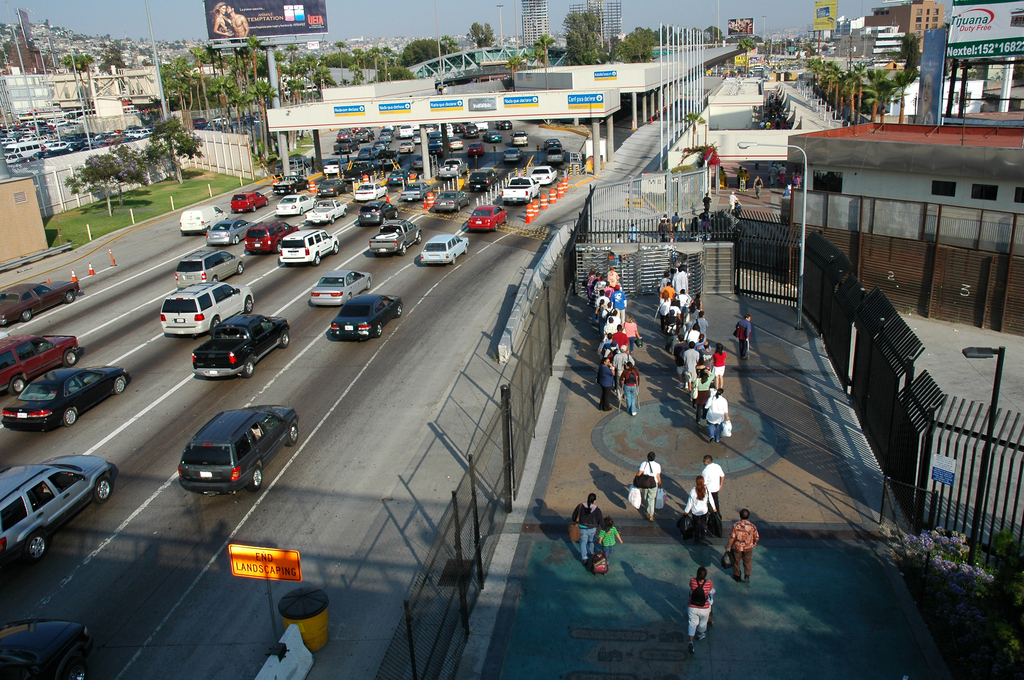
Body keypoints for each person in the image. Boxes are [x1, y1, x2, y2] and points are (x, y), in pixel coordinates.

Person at [687, 566, 715, 654]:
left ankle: (690, 642)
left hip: (692, 607)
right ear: (705, 575)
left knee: (692, 623)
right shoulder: (709, 582)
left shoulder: (692, 581)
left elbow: (691, 588)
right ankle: (700, 634)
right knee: (703, 622)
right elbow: (711, 591)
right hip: (704, 608)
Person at [726, 508, 760, 583]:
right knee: (747, 561)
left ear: (740, 516)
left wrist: (728, 546)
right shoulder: (752, 526)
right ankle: (747, 575)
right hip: (748, 547)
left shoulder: (736, 525)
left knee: (736, 561)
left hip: (737, 547)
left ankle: (737, 576)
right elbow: (757, 537)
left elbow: (732, 537)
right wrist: (754, 542)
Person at [571, 493, 605, 567]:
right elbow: (601, 521)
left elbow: (574, 517)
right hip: (592, 529)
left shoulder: (580, 506)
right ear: (594, 501)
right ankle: (591, 552)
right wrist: (606, 529)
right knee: (591, 540)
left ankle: (584, 557)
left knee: (583, 542)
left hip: (582, 528)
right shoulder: (597, 509)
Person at [682, 476, 717, 542]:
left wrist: (686, 511)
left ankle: (697, 537)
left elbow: (690, 503)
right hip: (704, 510)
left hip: (695, 511)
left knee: (696, 524)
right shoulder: (706, 490)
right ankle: (703, 534)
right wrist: (714, 508)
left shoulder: (693, 491)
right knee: (703, 523)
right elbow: (711, 500)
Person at [636, 451, 662, 521]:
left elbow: (639, 473)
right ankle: (651, 514)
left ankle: (647, 509)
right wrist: (660, 485)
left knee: (645, 496)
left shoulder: (644, 464)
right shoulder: (658, 465)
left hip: (645, 483)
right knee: (651, 498)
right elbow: (658, 476)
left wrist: (636, 480)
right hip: (654, 483)